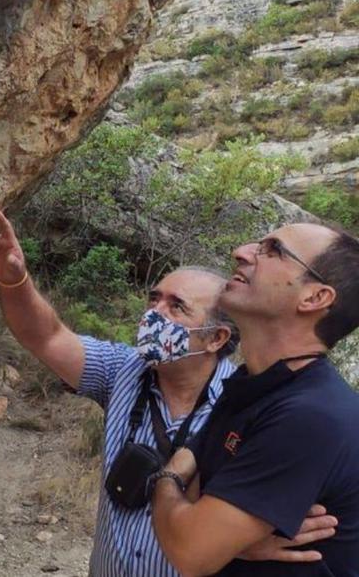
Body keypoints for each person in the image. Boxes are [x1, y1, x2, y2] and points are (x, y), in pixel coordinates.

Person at [0, 211, 337, 576]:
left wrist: (235, 541)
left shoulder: (247, 408)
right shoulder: (122, 370)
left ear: (216, 338)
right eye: (154, 299)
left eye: (177, 306)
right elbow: (46, 336)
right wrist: (14, 280)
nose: (154, 314)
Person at [151, 223, 359, 575]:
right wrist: (227, 538)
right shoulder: (252, 384)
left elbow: (190, 550)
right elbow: (194, 469)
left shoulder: (310, 416)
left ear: (314, 298)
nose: (242, 252)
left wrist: (165, 480)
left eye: (273, 250)